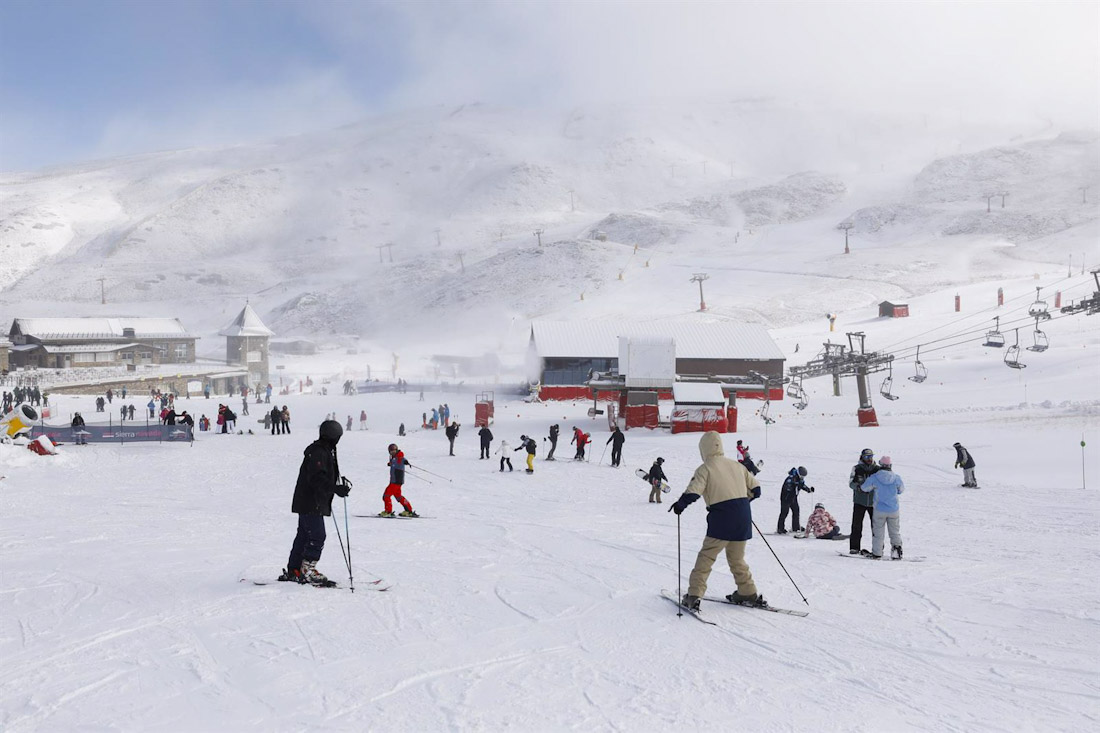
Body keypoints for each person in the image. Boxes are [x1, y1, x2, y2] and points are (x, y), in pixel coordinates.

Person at [669, 432, 763, 610]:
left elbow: (694, 492)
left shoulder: (706, 468)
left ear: (703, 449)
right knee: (737, 559)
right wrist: (742, 501)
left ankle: (694, 595)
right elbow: (756, 489)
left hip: (722, 519)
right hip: (743, 517)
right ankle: (747, 592)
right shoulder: (737, 466)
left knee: (706, 557)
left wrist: (680, 505)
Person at [278, 420, 351, 585]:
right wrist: (334, 488)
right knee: (317, 535)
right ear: (332, 436)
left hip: (308, 501)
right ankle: (307, 571)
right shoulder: (319, 452)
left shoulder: (323, 450)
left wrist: (336, 487)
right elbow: (316, 478)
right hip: (311, 501)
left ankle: (294, 569)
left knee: (304, 535)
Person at [859, 456, 905, 559]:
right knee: (894, 531)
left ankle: (877, 553)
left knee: (878, 532)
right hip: (893, 509)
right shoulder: (896, 477)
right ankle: (896, 551)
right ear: (890, 465)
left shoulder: (875, 477)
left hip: (879, 509)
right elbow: (901, 490)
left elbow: (864, 488)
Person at [848, 448, 880, 555]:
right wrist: (859, 488)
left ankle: (878, 548)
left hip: (874, 502)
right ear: (862, 457)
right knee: (856, 525)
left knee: (876, 526)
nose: (869, 459)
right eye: (867, 457)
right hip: (859, 501)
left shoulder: (877, 469)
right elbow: (851, 483)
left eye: (871, 457)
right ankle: (854, 547)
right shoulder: (856, 468)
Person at [380, 443, 417, 517]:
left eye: (394, 450)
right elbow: (395, 462)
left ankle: (388, 511)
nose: (392, 452)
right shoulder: (393, 458)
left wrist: (405, 462)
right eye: (391, 451)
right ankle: (408, 510)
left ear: (396, 450)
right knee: (398, 496)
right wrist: (390, 463)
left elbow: (402, 458)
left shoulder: (399, 456)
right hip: (396, 481)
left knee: (386, 496)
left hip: (395, 482)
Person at [777, 466, 813, 534]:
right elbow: (787, 488)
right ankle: (780, 528)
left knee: (796, 511)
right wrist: (794, 486)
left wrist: (809, 490)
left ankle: (795, 527)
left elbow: (802, 485)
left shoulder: (799, 479)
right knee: (784, 512)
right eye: (802, 476)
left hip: (793, 498)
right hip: (786, 498)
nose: (802, 477)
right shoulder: (790, 478)